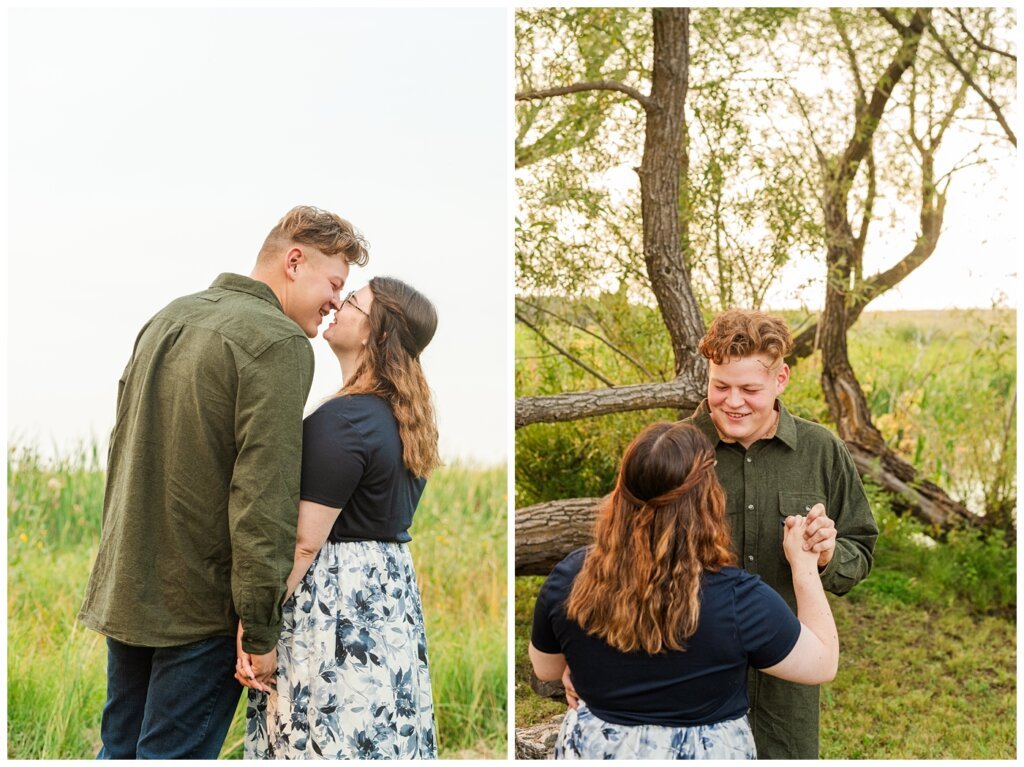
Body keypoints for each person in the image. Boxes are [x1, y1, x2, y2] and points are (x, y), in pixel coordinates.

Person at [78, 205, 369, 759]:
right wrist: (261, 630)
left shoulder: (169, 316)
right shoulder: (279, 342)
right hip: (202, 607)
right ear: (293, 260)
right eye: (334, 283)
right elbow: (263, 495)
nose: (335, 300)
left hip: (131, 589)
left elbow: (122, 451)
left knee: (118, 750)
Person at [530, 421, 839, 760]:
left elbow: (546, 669)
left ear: (621, 492)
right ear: (708, 499)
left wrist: (585, 664)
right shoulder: (740, 599)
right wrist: (805, 566)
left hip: (598, 749)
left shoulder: (571, 578)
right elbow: (822, 664)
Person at [238, 276, 442, 759]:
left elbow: (305, 544)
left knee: (323, 732)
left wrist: (257, 624)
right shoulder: (400, 416)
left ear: (378, 331)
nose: (337, 306)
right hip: (387, 602)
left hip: (337, 604)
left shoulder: (346, 418)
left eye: (352, 302)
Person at [683, 308, 877, 758]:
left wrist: (829, 556)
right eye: (720, 386)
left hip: (788, 687)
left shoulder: (822, 451)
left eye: (750, 389)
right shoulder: (678, 449)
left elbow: (861, 548)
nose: (733, 401)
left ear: (781, 379)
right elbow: (625, 562)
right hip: (691, 678)